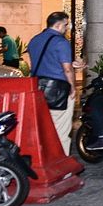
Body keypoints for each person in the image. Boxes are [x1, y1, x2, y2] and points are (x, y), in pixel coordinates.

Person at [27, 12, 75, 155]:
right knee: (61, 128)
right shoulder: (61, 42)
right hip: (58, 90)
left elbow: (45, 61)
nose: (67, 28)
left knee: (42, 126)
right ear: (59, 25)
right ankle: (61, 158)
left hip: (37, 87)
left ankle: (43, 156)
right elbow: (67, 69)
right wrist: (72, 87)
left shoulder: (35, 40)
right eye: (66, 25)